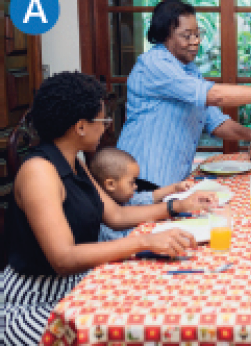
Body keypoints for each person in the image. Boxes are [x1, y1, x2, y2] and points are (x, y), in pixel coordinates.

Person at [3, 72, 215, 345]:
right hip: (35, 301)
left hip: (77, 286)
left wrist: (177, 206)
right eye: (103, 120)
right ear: (80, 127)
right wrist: (144, 241)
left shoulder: (74, 162)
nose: (107, 127)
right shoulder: (39, 172)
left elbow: (115, 216)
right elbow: (64, 258)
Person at [116, 0, 251, 188]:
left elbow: (216, 122)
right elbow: (216, 95)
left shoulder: (189, 69)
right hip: (143, 176)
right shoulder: (155, 64)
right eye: (187, 36)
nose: (196, 41)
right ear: (165, 36)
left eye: (197, 33)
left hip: (172, 178)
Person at [89, 147, 196, 242]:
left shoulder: (125, 199)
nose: (135, 186)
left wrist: (175, 188)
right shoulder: (102, 221)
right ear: (111, 184)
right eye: (131, 182)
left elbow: (150, 197)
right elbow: (122, 242)